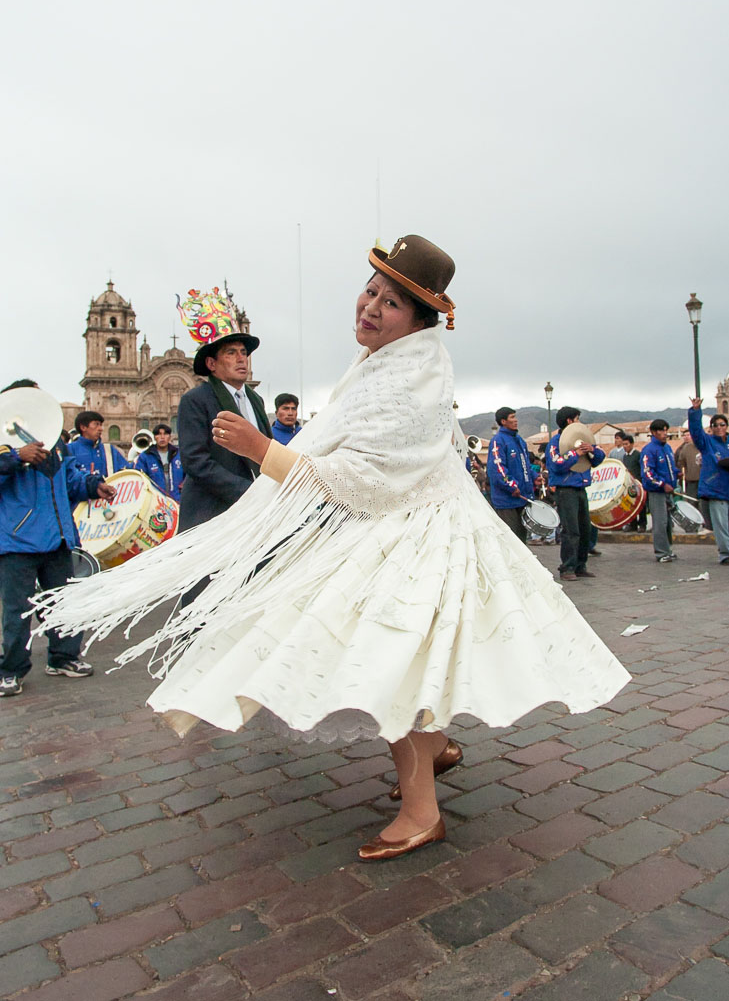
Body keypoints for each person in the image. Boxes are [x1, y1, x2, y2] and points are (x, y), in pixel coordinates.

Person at [34, 236, 629, 860]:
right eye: (371, 290)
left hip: (411, 531)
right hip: (404, 524)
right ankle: (434, 746)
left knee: (386, 656)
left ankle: (422, 809)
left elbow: (368, 475)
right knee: (411, 650)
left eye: (391, 302)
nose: (370, 306)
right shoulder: (389, 361)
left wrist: (261, 451)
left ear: (421, 321)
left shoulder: (408, 374)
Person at [0, 381, 115, 696]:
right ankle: (10, 670)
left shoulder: (56, 443)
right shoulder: (4, 442)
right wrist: (15, 457)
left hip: (58, 538)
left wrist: (93, 486)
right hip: (17, 542)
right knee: (17, 611)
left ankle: (63, 657)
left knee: (62, 604)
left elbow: (70, 480)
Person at [175, 313, 272, 533]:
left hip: (254, 516)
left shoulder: (256, 400)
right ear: (211, 363)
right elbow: (196, 461)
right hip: (211, 515)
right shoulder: (196, 400)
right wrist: (247, 491)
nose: (241, 359)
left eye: (244, 353)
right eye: (231, 353)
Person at [547, 407, 605, 581]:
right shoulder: (555, 441)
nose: (579, 422)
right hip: (566, 490)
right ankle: (567, 567)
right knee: (571, 530)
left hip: (581, 487)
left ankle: (581, 565)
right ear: (569, 421)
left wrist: (591, 450)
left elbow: (599, 457)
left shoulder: (584, 439)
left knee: (584, 529)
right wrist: (574, 454)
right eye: (577, 418)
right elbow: (556, 463)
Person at [688, 400, 729, 564]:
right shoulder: (707, 443)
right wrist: (695, 411)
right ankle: (726, 553)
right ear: (711, 427)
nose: (719, 427)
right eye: (715, 425)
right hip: (716, 489)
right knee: (722, 524)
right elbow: (696, 431)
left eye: (722, 424)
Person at [486, 407, 534, 542]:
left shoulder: (519, 440)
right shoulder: (498, 441)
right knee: (512, 540)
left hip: (522, 498)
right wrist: (512, 486)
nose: (516, 420)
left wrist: (535, 478)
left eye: (515, 417)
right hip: (507, 501)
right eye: (512, 417)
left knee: (522, 539)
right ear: (503, 421)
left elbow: (525, 466)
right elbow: (497, 468)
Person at [640, 419, 678, 562]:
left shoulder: (667, 448)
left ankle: (668, 549)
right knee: (660, 522)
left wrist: (677, 473)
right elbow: (648, 473)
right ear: (653, 433)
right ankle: (661, 553)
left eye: (666, 430)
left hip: (668, 491)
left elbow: (670, 467)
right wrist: (662, 484)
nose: (664, 434)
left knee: (668, 523)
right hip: (657, 491)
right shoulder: (649, 450)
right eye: (661, 431)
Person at [67, 411, 130, 475]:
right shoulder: (69, 450)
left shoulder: (109, 450)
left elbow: (126, 470)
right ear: (83, 427)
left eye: (100, 425)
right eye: (96, 424)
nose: (100, 429)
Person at [135, 424, 184, 502]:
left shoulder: (179, 454)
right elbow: (139, 478)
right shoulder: (145, 456)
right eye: (159, 434)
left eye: (165, 434)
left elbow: (190, 471)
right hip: (155, 501)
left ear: (169, 437)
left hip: (178, 500)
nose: (162, 437)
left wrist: (184, 484)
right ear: (154, 437)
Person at [621, 434, 647, 532]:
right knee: (631, 505)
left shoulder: (638, 455)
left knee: (641, 505)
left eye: (626, 444)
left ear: (632, 444)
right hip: (629, 485)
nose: (624, 446)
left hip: (639, 484)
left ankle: (642, 524)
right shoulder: (625, 457)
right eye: (623, 444)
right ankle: (633, 524)